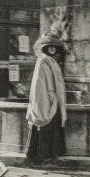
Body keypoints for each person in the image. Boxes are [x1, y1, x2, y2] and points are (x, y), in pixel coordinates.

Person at [24, 33, 67, 164]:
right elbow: (40, 83)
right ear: (46, 48)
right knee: (44, 127)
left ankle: (49, 155)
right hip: (47, 99)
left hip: (53, 100)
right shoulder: (43, 62)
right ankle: (40, 156)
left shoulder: (52, 62)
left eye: (54, 48)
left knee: (51, 127)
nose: (52, 50)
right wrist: (49, 97)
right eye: (50, 47)